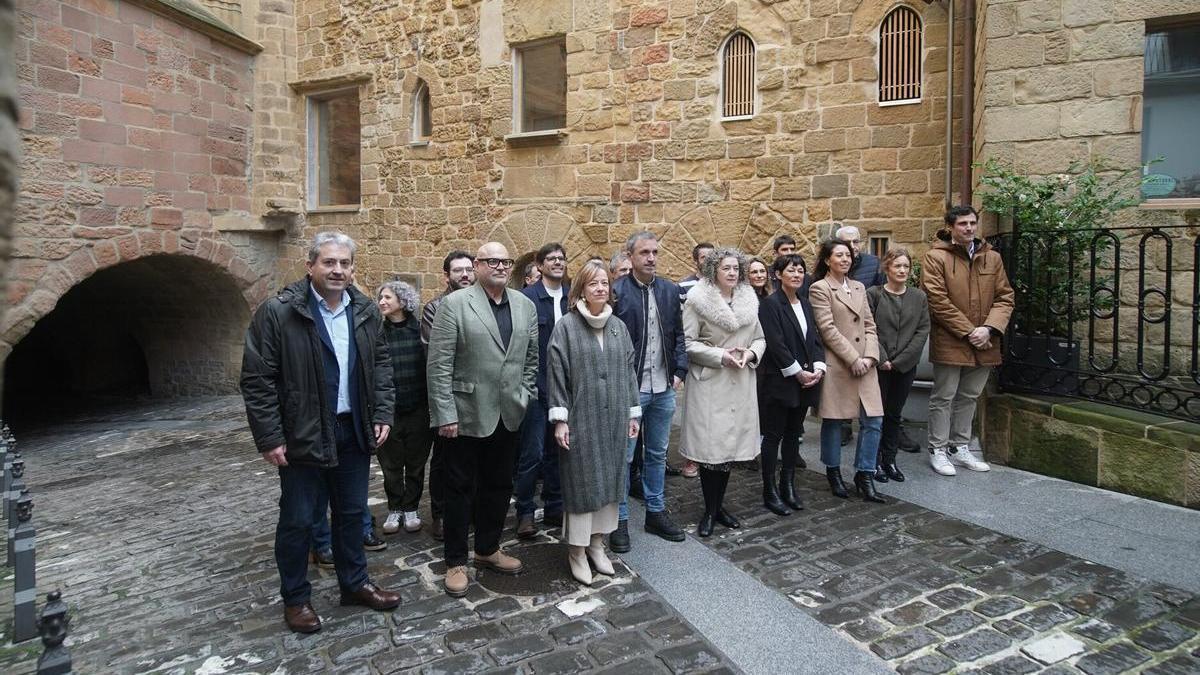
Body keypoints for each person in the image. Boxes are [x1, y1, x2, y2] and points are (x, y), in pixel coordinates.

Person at [240, 232, 400, 634]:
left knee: (351, 514)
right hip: (302, 435)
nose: (338, 270)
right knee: (297, 520)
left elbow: (381, 366)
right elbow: (257, 380)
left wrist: (382, 412)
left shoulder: (364, 310)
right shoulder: (279, 312)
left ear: (353, 268)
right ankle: (296, 599)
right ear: (310, 265)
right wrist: (270, 437)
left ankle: (355, 583)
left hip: (353, 431)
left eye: (345, 263)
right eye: (329, 262)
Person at [426, 242, 538, 597]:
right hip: (464, 414)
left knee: (499, 485)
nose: (501, 266)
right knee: (459, 489)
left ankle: (488, 549)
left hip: (508, 413)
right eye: (493, 261)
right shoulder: (455, 305)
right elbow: (439, 364)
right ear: (476, 265)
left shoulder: (524, 304)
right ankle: (456, 561)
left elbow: (531, 359)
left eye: (506, 261)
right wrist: (445, 413)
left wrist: (524, 395)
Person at [546, 261, 641, 586]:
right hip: (580, 419)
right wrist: (560, 420)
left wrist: (633, 413)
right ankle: (577, 550)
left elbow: (629, 372)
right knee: (582, 485)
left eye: (604, 283)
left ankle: (598, 545)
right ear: (581, 290)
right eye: (593, 284)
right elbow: (556, 374)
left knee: (610, 483)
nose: (600, 288)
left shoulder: (617, 326)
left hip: (614, 418)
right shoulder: (567, 327)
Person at [611, 231, 689, 551]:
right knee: (624, 457)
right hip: (631, 390)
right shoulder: (616, 292)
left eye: (655, 252)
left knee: (657, 454)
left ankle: (655, 512)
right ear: (630, 256)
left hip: (663, 388)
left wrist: (680, 370)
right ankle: (620, 519)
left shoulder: (670, 290)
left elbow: (680, 335)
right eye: (644, 252)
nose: (651, 258)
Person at [922, 205, 1015, 476]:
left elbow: (1005, 296)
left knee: (970, 396)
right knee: (944, 396)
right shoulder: (935, 257)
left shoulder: (992, 258)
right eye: (963, 223)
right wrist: (968, 330)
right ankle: (937, 449)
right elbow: (937, 300)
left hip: (986, 339)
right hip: (951, 338)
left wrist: (989, 328)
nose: (969, 228)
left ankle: (959, 446)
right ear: (951, 227)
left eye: (973, 222)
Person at [680, 248, 766, 537]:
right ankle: (710, 509)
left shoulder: (748, 299)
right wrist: (720, 355)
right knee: (710, 449)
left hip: (740, 381)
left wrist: (751, 354)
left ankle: (719, 507)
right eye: (726, 268)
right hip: (711, 381)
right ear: (713, 270)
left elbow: (760, 338)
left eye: (735, 268)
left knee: (728, 450)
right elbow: (688, 343)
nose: (732, 273)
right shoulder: (697, 301)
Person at [808, 238, 887, 504]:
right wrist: (853, 358)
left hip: (866, 364)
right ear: (827, 260)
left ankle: (864, 474)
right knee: (834, 420)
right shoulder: (820, 288)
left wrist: (870, 356)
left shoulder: (859, 286)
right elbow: (827, 329)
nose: (845, 259)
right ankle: (833, 471)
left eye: (848, 255)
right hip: (839, 363)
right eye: (839, 255)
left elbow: (869, 325)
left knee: (873, 420)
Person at [758, 254, 825, 515]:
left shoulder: (806, 304)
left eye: (800, 271)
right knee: (773, 435)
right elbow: (775, 344)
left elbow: (815, 339)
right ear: (778, 275)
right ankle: (770, 489)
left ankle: (788, 485)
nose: (797, 275)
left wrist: (818, 368)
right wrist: (797, 372)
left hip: (805, 381)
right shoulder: (770, 304)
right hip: (780, 381)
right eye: (791, 270)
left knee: (794, 434)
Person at [420, 250, 476, 541]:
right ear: (447, 276)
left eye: (468, 269)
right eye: (458, 271)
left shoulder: (483, 302)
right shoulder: (435, 308)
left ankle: (470, 510)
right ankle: (441, 514)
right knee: (444, 461)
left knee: (473, 460)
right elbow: (437, 356)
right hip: (450, 397)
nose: (465, 275)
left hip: (478, 398)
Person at [515, 243, 570, 539]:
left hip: (565, 387)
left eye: (562, 259)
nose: (557, 263)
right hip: (536, 388)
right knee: (532, 453)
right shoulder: (526, 299)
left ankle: (555, 505)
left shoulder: (573, 295)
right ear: (539, 264)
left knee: (558, 450)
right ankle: (524, 511)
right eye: (551, 259)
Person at [376, 280, 435, 533]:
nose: (382, 302)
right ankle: (395, 508)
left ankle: (411, 507)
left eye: (387, 297)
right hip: (389, 410)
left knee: (416, 462)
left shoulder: (420, 331)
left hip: (418, 408)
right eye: (381, 297)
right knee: (390, 464)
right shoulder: (377, 332)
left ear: (402, 300)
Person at [866, 248, 929, 483]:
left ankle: (889, 461)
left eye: (906, 266)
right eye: (897, 266)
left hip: (904, 367)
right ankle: (872, 462)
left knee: (894, 415)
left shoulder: (918, 297)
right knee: (876, 416)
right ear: (887, 269)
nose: (902, 270)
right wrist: (882, 359)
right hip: (879, 366)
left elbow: (922, 331)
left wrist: (900, 362)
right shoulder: (874, 294)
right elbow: (868, 327)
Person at [675, 241, 714, 479]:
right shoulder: (684, 286)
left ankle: (714, 455)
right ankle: (692, 458)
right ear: (695, 260)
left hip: (721, 356)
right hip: (696, 354)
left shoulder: (723, 284)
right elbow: (680, 324)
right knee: (697, 411)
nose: (708, 261)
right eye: (704, 257)